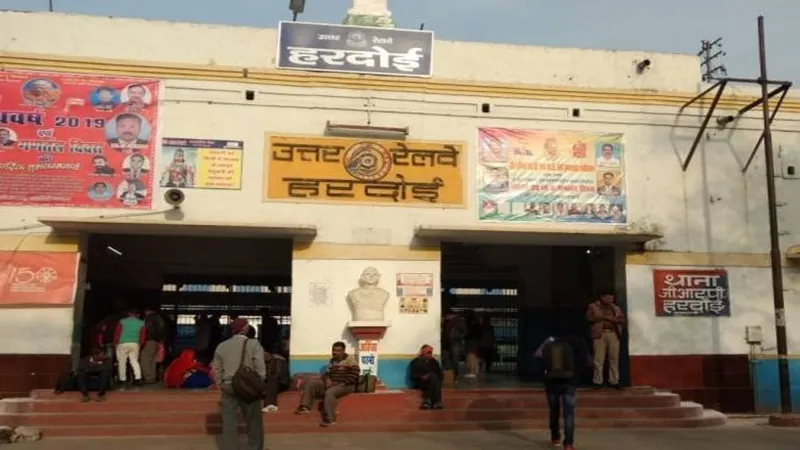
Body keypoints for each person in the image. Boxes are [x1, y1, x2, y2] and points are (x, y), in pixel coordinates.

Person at [212, 318, 266, 450]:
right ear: (245, 329)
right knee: (253, 420)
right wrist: (259, 382)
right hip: (248, 387)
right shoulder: (254, 344)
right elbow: (260, 367)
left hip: (228, 385)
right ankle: (255, 447)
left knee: (229, 422)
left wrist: (220, 383)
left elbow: (217, 368)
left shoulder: (222, 346)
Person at [294, 341, 360, 427]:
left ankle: (330, 419)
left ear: (343, 351)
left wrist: (342, 384)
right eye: (333, 350)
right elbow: (326, 374)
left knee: (330, 392)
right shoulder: (332, 361)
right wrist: (327, 379)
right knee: (312, 382)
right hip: (333, 383)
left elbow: (355, 375)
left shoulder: (351, 361)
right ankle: (305, 407)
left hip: (346, 386)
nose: (334, 352)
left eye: (337, 350)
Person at [535, 331, 580, 450]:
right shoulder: (575, 342)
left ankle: (555, 438)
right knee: (569, 414)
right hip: (569, 383)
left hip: (551, 383)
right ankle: (569, 444)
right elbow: (584, 361)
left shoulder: (548, 343)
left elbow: (538, 356)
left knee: (554, 411)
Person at [586, 293, 625, 389]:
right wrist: (605, 317)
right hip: (599, 334)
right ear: (602, 297)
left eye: (612, 299)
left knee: (614, 358)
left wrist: (616, 320)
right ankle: (598, 381)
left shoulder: (615, 308)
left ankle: (614, 381)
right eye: (608, 298)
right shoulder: (593, 306)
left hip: (613, 334)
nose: (610, 301)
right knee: (598, 359)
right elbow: (589, 318)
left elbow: (622, 320)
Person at [114, 309, 145, 388]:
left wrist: (115, 342)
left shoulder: (122, 321)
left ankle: (122, 380)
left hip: (123, 343)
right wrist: (140, 344)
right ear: (136, 314)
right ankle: (138, 379)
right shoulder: (141, 323)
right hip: (135, 343)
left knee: (122, 362)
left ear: (129, 313)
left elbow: (117, 333)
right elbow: (142, 336)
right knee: (134, 361)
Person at [409, 345, 443, 409]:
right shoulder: (416, 362)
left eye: (431, 353)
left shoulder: (434, 362)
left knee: (434, 377)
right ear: (422, 352)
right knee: (433, 377)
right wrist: (422, 376)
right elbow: (412, 376)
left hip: (434, 382)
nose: (429, 354)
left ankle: (427, 401)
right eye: (428, 352)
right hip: (421, 382)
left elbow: (440, 375)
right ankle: (436, 402)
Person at [140, 308, 167, 384]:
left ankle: (148, 377)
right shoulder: (160, 318)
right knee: (152, 360)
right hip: (157, 341)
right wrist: (161, 340)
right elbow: (163, 330)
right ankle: (152, 377)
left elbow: (148, 330)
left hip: (149, 340)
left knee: (144, 359)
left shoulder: (149, 319)